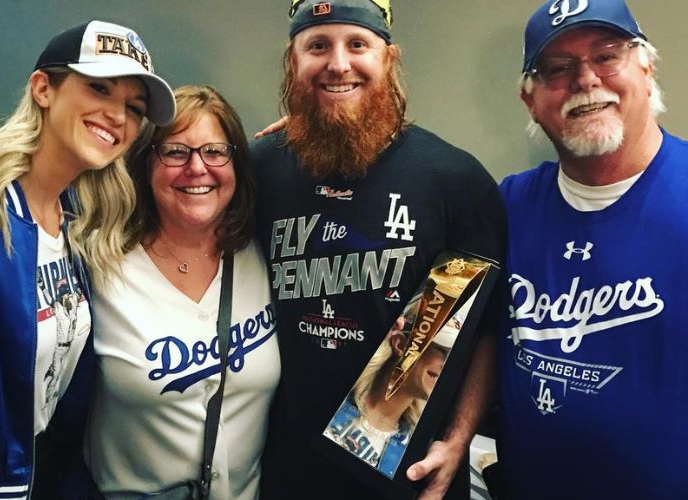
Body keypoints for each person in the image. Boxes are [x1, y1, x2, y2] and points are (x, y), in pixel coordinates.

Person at [252, 1, 506, 498]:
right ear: (293, 61)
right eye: (318, 46)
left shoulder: (456, 180)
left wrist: (457, 441)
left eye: (358, 44)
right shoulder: (259, 170)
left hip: (408, 473)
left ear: (388, 59)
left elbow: (488, 333)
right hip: (284, 469)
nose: (338, 63)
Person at [0, 20, 175, 500]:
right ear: (44, 88)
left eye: (134, 107)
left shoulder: (80, 223)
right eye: (100, 88)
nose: (117, 116)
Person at [498, 0, 688, 498]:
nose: (585, 80)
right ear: (530, 101)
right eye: (557, 68)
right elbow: (473, 339)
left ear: (646, 69)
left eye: (607, 56)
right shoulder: (506, 204)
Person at [84, 85, 280, 500]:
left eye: (215, 152)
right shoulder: (99, 261)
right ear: (146, 166)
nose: (197, 168)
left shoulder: (262, 251)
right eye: (175, 152)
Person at [325, 315, 455, 478]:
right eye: (442, 351)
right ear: (400, 344)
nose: (449, 366)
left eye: (454, 357)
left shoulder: (421, 448)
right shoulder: (332, 392)